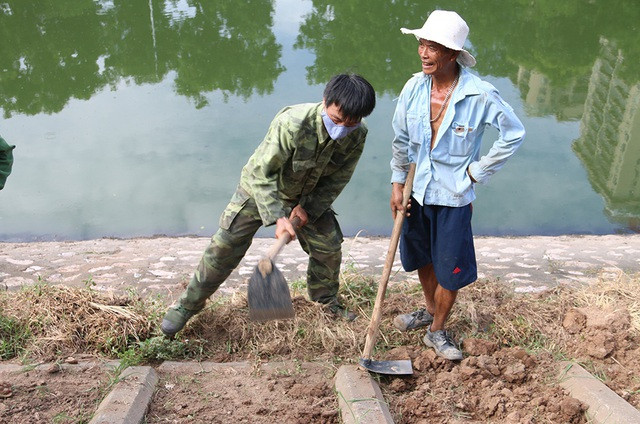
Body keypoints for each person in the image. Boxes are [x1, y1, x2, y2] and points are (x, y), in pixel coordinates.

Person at [161, 73, 376, 337]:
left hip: (305, 198)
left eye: (351, 123)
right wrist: (277, 216)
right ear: (325, 101)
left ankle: (326, 304)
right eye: (337, 119)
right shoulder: (292, 124)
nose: (343, 128)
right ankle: (187, 306)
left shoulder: (357, 135)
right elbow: (263, 173)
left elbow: (338, 177)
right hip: (261, 190)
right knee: (224, 247)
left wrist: (308, 207)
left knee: (329, 247)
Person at [390, 10, 525, 360]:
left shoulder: (479, 94)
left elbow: (513, 133)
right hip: (417, 191)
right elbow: (401, 140)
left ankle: (437, 330)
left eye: (432, 48)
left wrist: (477, 172)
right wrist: (397, 182)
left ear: (451, 54)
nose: (423, 53)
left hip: (454, 195)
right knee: (422, 257)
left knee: (449, 269)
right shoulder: (413, 87)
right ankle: (430, 310)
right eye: (421, 44)